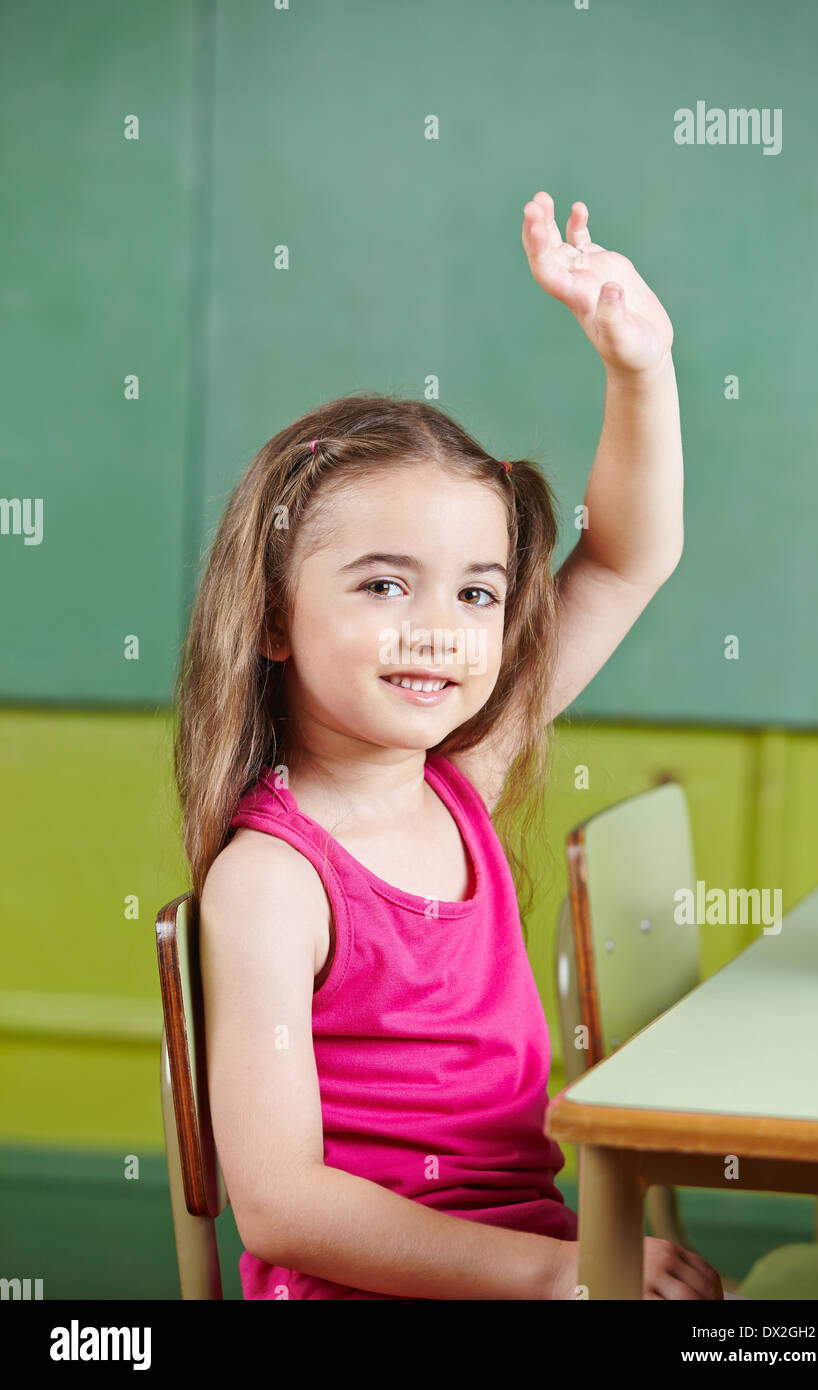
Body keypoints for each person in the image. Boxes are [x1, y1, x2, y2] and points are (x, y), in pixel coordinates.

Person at [175, 193, 721, 1299]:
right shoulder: (272, 880)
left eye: (478, 592)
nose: (438, 629)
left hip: (537, 1255)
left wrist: (639, 367)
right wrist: (554, 1274)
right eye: (382, 584)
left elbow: (622, 558)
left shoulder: (457, 778)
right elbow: (282, 1203)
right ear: (274, 618)